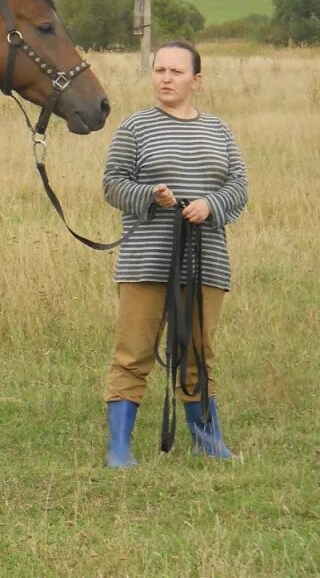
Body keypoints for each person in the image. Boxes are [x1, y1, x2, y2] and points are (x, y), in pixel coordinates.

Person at [101, 40, 248, 467]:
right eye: (159, 70)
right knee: (133, 353)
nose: (165, 78)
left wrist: (210, 205)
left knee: (199, 351)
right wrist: (151, 194)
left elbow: (239, 187)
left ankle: (207, 440)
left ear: (196, 81)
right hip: (147, 260)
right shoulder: (135, 128)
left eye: (176, 72)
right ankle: (119, 448)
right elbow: (112, 183)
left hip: (206, 261)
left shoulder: (219, 131)